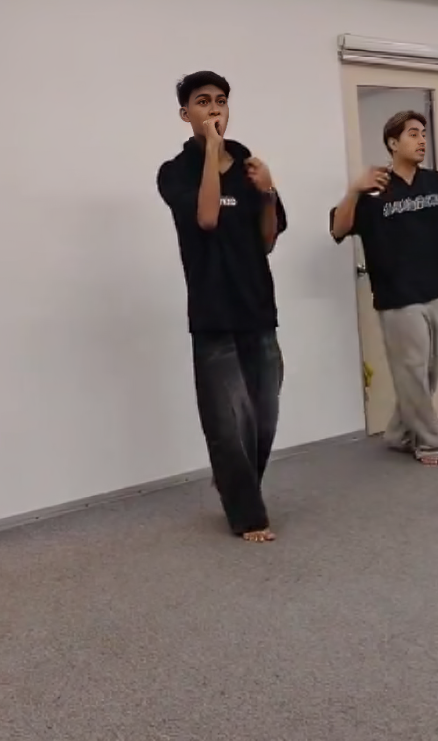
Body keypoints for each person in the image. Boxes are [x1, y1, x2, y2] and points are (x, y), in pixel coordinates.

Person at [157, 71, 287, 542]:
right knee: (228, 422)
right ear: (185, 113)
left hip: (258, 307)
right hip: (213, 313)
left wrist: (268, 191)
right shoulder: (174, 172)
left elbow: (267, 240)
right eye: (202, 102)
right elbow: (207, 218)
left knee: (264, 417)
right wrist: (213, 151)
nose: (214, 109)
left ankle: (234, 482)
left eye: (221, 101)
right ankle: (248, 515)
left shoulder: (251, 168)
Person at [329, 110, 438, 466]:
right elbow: (339, 228)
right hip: (398, 297)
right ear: (392, 142)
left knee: (430, 371)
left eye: (423, 134)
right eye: (413, 134)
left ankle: (399, 433)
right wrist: (354, 190)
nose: (421, 140)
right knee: (413, 371)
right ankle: (429, 443)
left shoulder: (436, 183)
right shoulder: (375, 189)